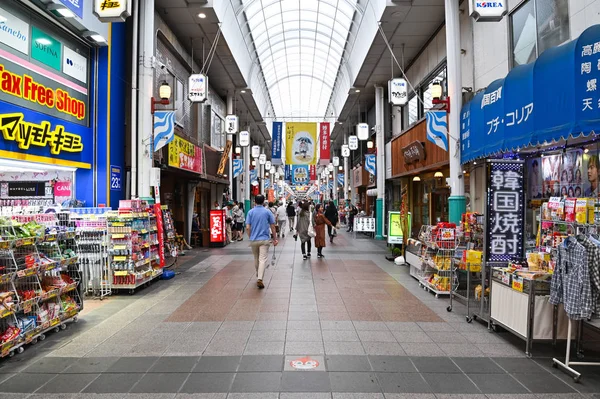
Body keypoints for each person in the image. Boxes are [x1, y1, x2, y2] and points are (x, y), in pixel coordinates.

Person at [246, 195, 278, 289]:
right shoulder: (267, 212)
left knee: (256, 258)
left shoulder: (250, 212)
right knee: (262, 259)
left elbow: (247, 227)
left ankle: (258, 274)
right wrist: (275, 239)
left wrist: (250, 236)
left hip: (254, 239)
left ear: (254, 201)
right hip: (264, 239)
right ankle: (260, 278)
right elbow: (272, 226)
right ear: (264, 201)